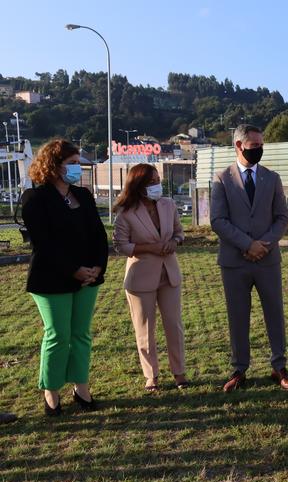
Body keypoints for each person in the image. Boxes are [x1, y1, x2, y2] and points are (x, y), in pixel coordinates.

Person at [22, 139, 108, 416]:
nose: (77, 168)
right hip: (51, 279)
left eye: (78, 162)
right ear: (53, 165)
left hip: (87, 278)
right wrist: (73, 269)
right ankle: (52, 394)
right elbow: (43, 243)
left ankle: (82, 391)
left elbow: (98, 235)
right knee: (58, 335)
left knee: (80, 335)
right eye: (71, 163)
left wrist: (97, 267)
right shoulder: (34, 199)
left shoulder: (83, 196)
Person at [210, 124, 288, 392]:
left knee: (274, 313)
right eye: (254, 146)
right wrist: (247, 244)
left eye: (261, 145)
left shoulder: (272, 178)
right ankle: (239, 369)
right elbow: (217, 220)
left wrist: (264, 245)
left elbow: (282, 217)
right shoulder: (221, 179)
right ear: (239, 145)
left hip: (267, 260)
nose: (260, 150)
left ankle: (279, 366)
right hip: (234, 262)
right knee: (237, 316)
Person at [113, 163, 188, 392]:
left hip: (169, 273)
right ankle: (151, 376)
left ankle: (180, 373)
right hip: (140, 277)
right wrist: (149, 248)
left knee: (174, 325)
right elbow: (121, 245)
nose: (157, 185)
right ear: (139, 185)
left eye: (158, 180)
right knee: (144, 328)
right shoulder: (126, 213)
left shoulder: (168, 205)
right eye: (152, 182)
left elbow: (179, 232)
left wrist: (174, 242)